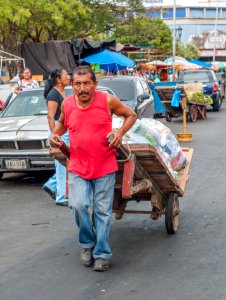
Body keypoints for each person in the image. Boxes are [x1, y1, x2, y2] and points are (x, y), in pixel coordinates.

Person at [50, 66, 137, 271]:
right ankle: (87, 244)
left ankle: (102, 253)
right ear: (72, 86)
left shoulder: (107, 100)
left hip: (105, 165)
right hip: (78, 166)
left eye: (87, 83)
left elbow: (130, 115)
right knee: (78, 206)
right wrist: (55, 134)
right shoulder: (67, 104)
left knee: (102, 211)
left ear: (95, 84)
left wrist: (120, 132)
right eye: (78, 84)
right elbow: (62, 124)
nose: (82, 88)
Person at [42, 68, 70, 206]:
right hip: (59, 134)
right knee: (62, 166)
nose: (68, 77)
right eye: (66, 75)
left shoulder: (62, 91)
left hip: (65, 132)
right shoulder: (53, 94)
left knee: (66, 163)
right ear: (58, 79)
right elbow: (50, 117)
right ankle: (61, 197)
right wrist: (55, 135)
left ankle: (52, 185)